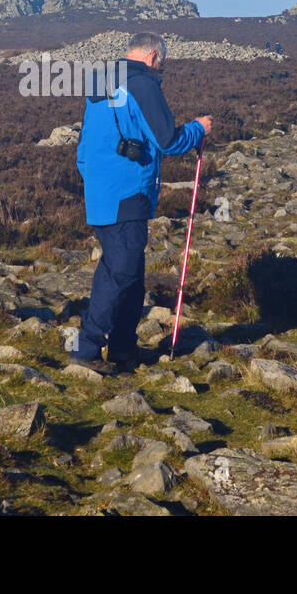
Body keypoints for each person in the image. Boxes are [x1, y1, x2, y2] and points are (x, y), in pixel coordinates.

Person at [73, 32, 212, 374]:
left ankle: (123, 350)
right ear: (152, 57)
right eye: (161, 62)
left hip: (100, 194)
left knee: (132, 274)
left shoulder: (100, 84)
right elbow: (168, 140)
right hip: (128, 195)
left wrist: (92, 180)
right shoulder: (144, 85)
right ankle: (86, 347)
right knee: (118, 271)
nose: (160, 68)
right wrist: (198, 128)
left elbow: (84, 146)